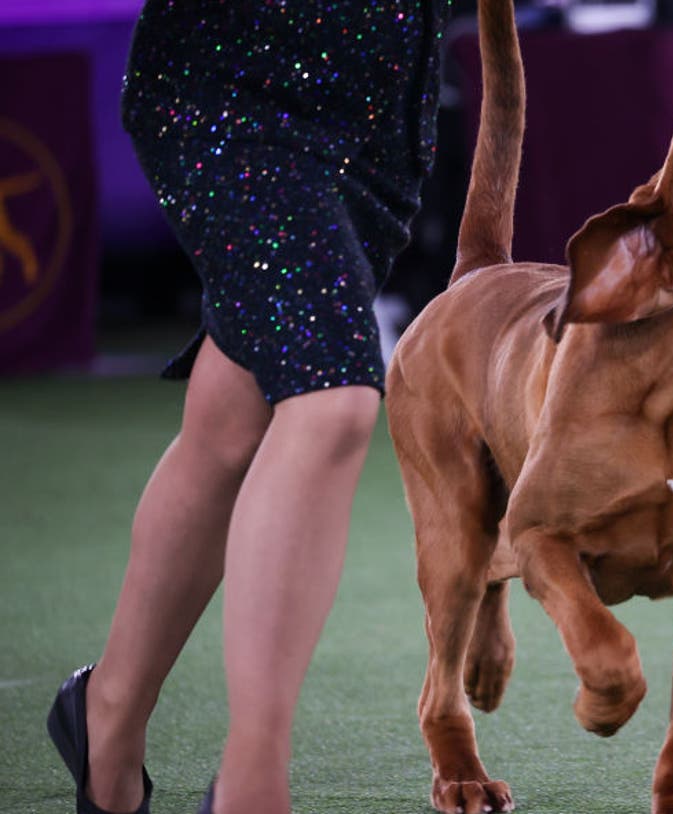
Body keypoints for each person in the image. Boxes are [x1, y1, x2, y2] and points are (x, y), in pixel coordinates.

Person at [46, 1, 453, 812]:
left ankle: (107, 715)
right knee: (332, 398)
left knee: (231, 423)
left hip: (378, 113)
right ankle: (252, 785)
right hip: (235, 87)